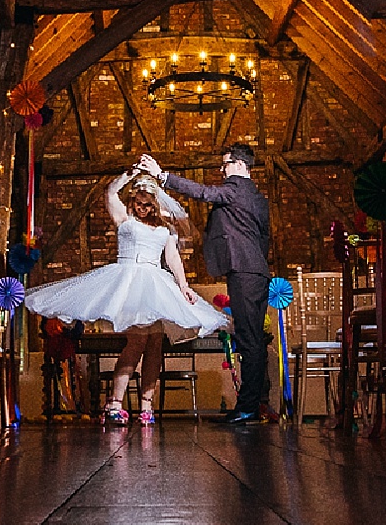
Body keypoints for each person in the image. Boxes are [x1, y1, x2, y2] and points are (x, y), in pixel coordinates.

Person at [21, 168, 227, 427]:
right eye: (137, 202)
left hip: (155, 283)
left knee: (154, 344)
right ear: (132, 201)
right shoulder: (124, 218)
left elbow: (172, 257)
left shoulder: (164, 227)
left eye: (146, 204)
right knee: (137, 343)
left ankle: (146, 405)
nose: (141, 207)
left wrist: (183, 286)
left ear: (154, 203)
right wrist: (128, 175)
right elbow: (110, 192)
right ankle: (115, 403)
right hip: (129, 282)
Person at [139, 143, 271, 425]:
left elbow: (203, 193)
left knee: (249, 340)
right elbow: (264, 238)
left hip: (246, 271)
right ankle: (255, 403)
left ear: (238, 165)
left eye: (224, 165)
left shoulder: (237, 188)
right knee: (253, 339)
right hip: (255, 270)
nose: (222, 170)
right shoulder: (258, 197)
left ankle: (248, 407)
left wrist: (162, 175)